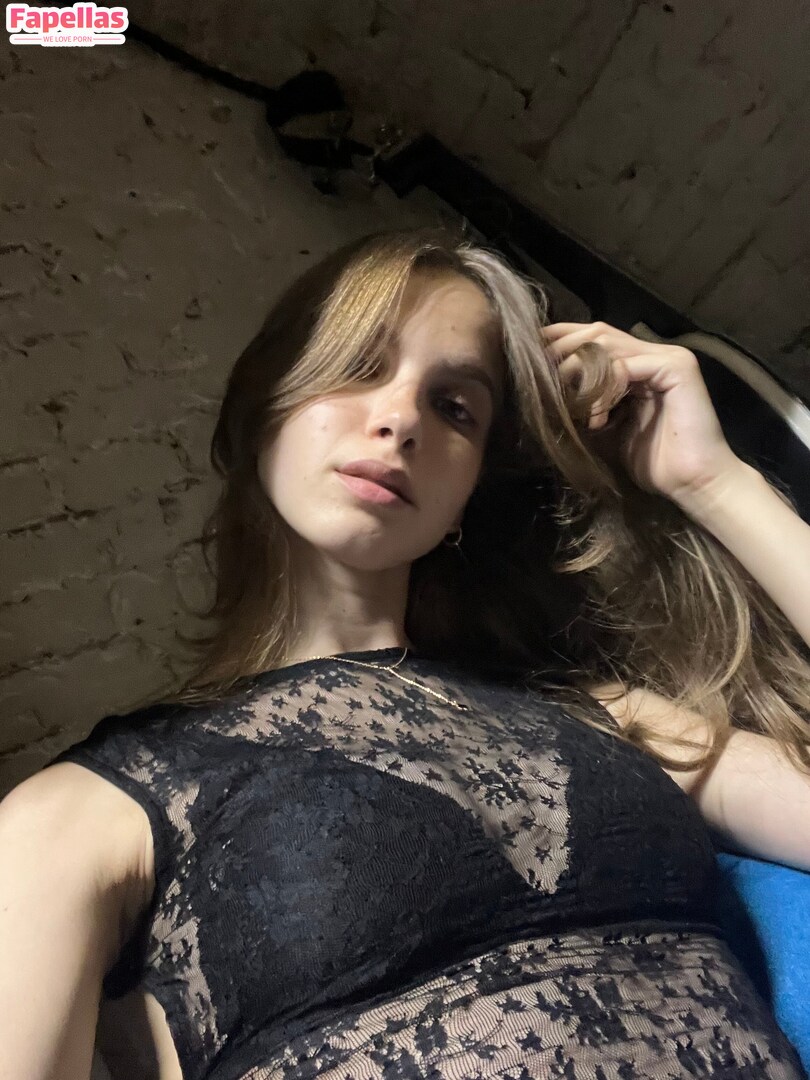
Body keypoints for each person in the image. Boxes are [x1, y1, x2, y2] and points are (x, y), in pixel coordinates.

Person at [1, 226, 809, 1080]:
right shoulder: (87, 815)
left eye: (455, 407)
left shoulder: (602, 718)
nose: (399, 420)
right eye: (357, 366)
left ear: (467, 492)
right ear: (264, 406)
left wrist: (712, 482)